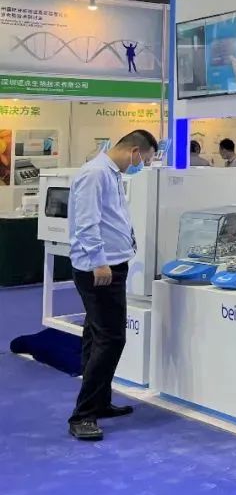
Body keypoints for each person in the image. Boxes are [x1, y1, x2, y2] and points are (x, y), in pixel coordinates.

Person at [67, 129, 158, 441]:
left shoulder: (111, 174)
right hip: (100, 269)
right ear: (134, 151)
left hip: (111, 265)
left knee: (96, 334)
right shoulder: (95, 174)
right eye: (144, 160)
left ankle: (99, 402)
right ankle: (83, 415)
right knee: (111, 339)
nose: (142, 166)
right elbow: (86, 222)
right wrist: (99, 260)